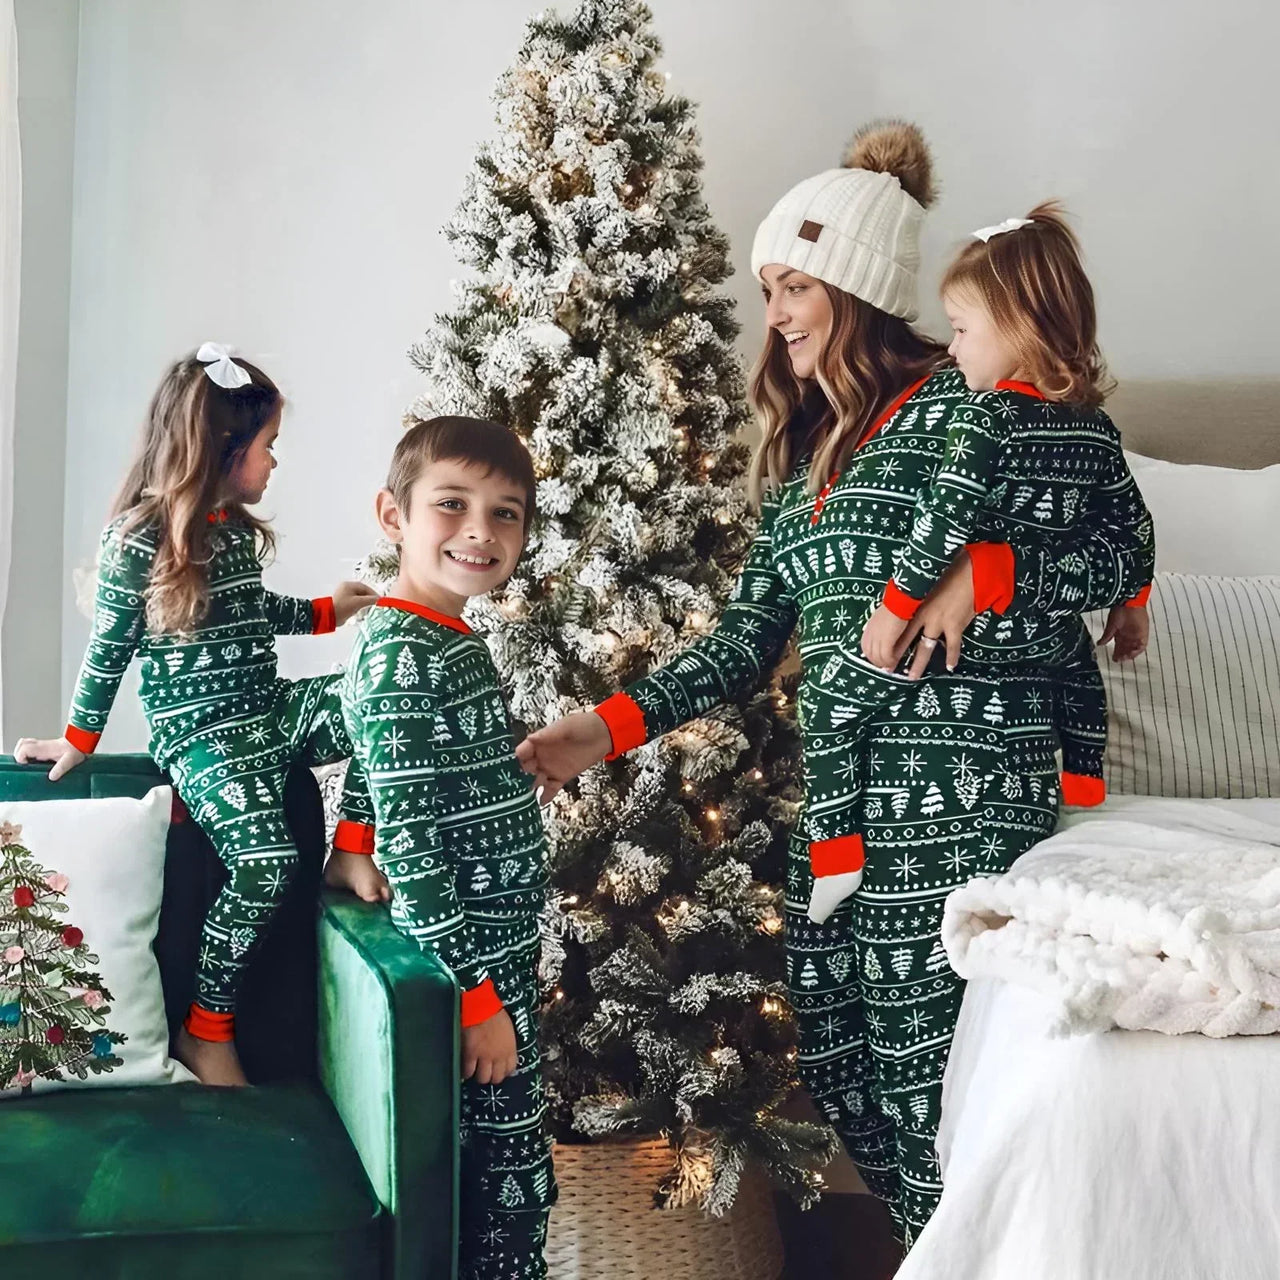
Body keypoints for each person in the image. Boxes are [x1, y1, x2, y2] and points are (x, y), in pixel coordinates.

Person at [515, 123, 1153, 1246]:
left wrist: (984, 577)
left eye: (792, 284)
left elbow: (1105, 548)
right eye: (767, 290)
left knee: (932, 1088)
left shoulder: (974, 398)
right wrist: (599, 728)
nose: (776, 314)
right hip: (847, 813)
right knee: (850, 1067)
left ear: (853, 286)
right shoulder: (809, 462)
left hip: (964, 787)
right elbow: (741, 640)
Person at [13, 344, 376, 1085]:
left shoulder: (235, 532)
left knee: (384, 697)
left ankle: (352, 848)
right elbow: (109, 647)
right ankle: (207, 1027)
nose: (275, 463)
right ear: (223, 447)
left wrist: (324, 614)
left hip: (269, 709)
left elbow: (251, 615)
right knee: (267, 863)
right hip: (203, 738)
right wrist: (78, 738)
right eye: (269, 447)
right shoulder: (134, 542)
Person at [797, 201, 1154, 920]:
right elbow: (1134, 528)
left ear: (1019, 328)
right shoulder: (1097, 430)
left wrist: (896, 607)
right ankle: (1084, 789)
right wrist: (1132, 605)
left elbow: (942, 519)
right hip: (1047, 633)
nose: (952, 351)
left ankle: (834, 855)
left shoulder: (984, 417)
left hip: (970, 637)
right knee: (1082, 672)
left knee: (828, 702)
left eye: (962, 331)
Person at [329, 416, 555, 1280]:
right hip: (470, 974)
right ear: (394, 515)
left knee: (505, 1180)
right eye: (452, 506)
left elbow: (378, 770)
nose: (480, 533)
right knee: (502, 1191)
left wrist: (352, 841)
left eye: (507, 514)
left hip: (497, 957)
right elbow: (417, 849)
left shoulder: (442, 637)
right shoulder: (400, 649)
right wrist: (476, 1002)